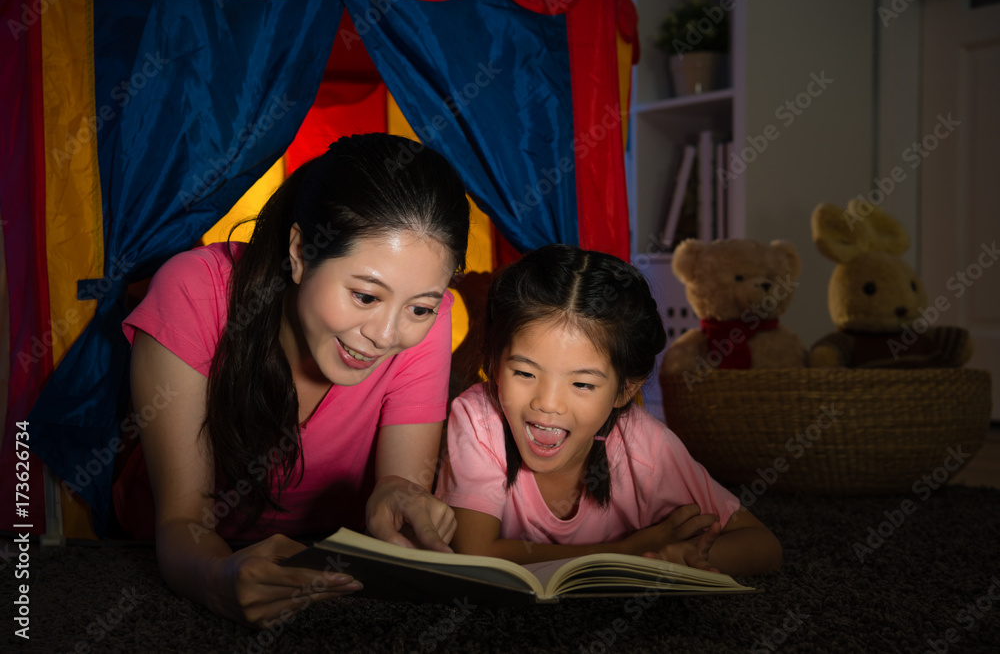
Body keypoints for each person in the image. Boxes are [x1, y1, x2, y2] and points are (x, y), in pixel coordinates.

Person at [113, 133, 470, 627]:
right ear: (301, 251)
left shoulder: (428, 321)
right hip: (170, 554)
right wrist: (217, 578)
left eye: (421, 307)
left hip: (330, 563)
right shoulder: (195, 292)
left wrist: (400, 496)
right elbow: (181, 523)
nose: (386, 336)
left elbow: (399, 487)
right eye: (365, 296)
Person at [436, 244, 782, 576]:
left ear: (625, 389)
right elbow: (475, 553)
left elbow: (763, 545)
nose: (548, 403)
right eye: (525, 373)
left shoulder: (647, 449)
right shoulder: (477, 417)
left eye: (583, 384)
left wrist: (679, 558)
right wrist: (626, 553)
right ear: (494, 365)